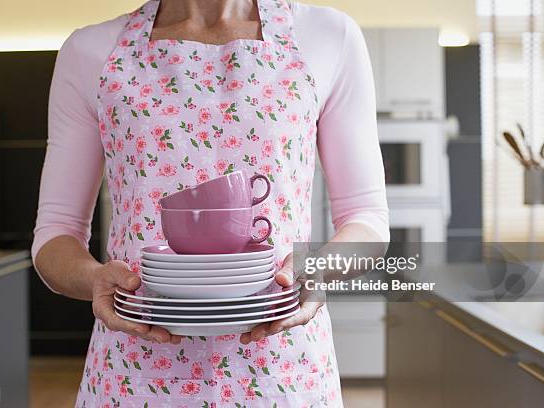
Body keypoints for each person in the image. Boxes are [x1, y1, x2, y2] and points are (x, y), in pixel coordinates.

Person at [32, 0, 389, 406]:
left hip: (283, 374)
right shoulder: (89, 51)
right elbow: (55, 233)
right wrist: (94, 279)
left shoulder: (329, 36)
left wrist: (318, 271)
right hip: (137, 375)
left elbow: (368, 218)